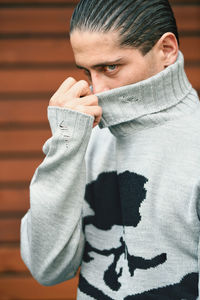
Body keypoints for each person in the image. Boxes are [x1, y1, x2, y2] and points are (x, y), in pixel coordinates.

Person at [20, 0, 200, 299]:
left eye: (110, 67)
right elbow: (47, 269)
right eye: (87, 72)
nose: (96, 89)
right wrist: (65, 144)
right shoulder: (83, 134)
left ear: (166, 50)